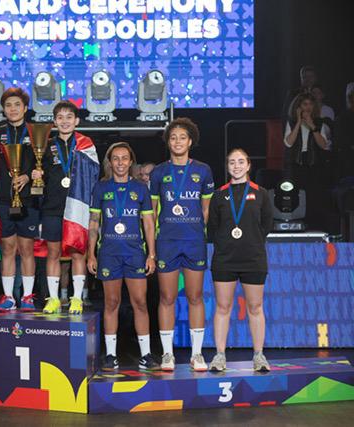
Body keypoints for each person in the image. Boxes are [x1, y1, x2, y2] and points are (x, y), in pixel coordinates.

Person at [149, 117, 214, 371]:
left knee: (195, 296)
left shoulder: (203, 171)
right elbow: (152, 212)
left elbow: (206, 209)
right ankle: (168, 354)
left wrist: (195, 229)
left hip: (194, 242)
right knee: (167, 297)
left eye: (182, 137)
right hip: (167, 242)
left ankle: (197, 354)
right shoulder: (158, 172)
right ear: (168, 142)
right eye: (173, 137)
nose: (177, 142)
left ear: (190, 141)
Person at [87, 142, 158, 371]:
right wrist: (91, 254)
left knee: (140, 303)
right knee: (111, 303)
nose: (120, 163)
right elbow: (94, 223)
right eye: (115, 158)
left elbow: (149, 224)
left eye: (124, 158)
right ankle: (110, 355)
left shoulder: (140, 188)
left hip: (135, 253)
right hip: (109, 253)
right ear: (109, 162)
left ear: (131, 161)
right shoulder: (100, 188)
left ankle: (146, 355)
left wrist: (151, 255)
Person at [207, 149, 273, 372]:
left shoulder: (261, 193)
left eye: (240, 162)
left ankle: (259, 355)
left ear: (248, 165)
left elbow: (266, 224)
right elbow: (213, 228)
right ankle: (219, 356)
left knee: (255, 307)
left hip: (253, 259)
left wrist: (251, 241)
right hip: (225, 259)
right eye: (232, 162)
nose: (236, 166)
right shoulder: (219, 195)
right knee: (223, 307)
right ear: (227, 167)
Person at [32, 100, 100, 315]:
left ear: (76, 120)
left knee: (78, 253)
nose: (64, 121)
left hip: (78, 207)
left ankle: (77, 299)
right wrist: (37, 175)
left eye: (69, 117)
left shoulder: (85, 144)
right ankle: (53, 299)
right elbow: (41, 177)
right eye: (60, 117)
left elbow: (94, 173)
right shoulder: (46, 145)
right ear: (54, 121)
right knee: (53, 253)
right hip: (52, 207)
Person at [0, 88, 37, 311]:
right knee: (8, 248)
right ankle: (8, 296)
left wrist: (28, 176)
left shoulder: (36, 132)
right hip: (4, 197)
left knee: (27, 247)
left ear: (25, 108)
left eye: (17, 104)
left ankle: (28, 296)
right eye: (8, 105)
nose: (13, 109)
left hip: (28, 199)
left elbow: (41, 164)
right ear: (3, 109)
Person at [283, 93, 331, 229]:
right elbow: (288, 143)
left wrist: (312, 125)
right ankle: (296, 224)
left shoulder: (319, 123)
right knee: (296, 194)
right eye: (305, 104)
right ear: (298, 107)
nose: (308, 107)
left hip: (313, 163)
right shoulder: (291, 122)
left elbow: (323, 145)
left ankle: (314, 225)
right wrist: (299, 122)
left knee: (313, 196)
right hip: (296, 163)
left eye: (310, 104)